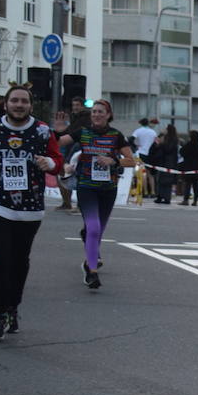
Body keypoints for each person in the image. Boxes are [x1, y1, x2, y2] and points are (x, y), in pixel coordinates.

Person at [0, 87, 64, 340]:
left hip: (29, 208)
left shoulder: (42, 131)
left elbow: (57, 161)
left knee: (19, 262)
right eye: (14, 100)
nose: (19, 105)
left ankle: (12, 307)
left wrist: (49, 163)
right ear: (6, 103)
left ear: (31, 105)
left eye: (24, 101)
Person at [59, 99, 134, 290]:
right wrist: (58, 132)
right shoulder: (82, 132)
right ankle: (92, 271)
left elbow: (131, 161)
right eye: (94, 112)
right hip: (87, 187)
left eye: (101, 112)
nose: (97, 115)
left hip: (108, 189)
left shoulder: (116, 135)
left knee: (98, 230)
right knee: (93, 228)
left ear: (108, 115)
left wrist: (113, 160)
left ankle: (89, 259)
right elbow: (57, 143)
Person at [54, 98, 89, 211]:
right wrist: (60, 131)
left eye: (77, 105)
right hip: (69, 149)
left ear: (83, 106)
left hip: (78, 150)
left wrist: (63, 131)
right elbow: (69, 133)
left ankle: (80, 205)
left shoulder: (86, 118)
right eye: (73, 105)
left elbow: (75, 134)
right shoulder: (74, 117)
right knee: (62, 175)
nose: (75, 107)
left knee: (78, 177)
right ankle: (66, 203)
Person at [151, 123, 180, 205]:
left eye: (166, 129)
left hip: (169, 162)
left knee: (167, 181)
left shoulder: (172, 139)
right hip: (164, 162)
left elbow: (168, 149)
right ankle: (160, 196)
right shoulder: (169, 138)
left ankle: (166, 197)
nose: (164, 130)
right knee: (161, 180)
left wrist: (161, 144)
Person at [131, 117, 157, 199]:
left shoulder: (138, 131)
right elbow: (156, 143)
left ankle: (145, 192)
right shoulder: (153, 132)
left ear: (141, 123)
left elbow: (131, 140)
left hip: (141, 153)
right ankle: (153, 192)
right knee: (150, 174)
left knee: (143, 173)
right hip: (150, 154)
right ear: (148, 123)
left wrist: (135, 146)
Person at [179, 129, 198, 204]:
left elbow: (181, 151)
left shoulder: (189, 144)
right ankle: (195, 200)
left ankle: (186, 200)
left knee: (188, 184)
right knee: (196, 184)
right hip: (197, 167)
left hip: (188, 166)